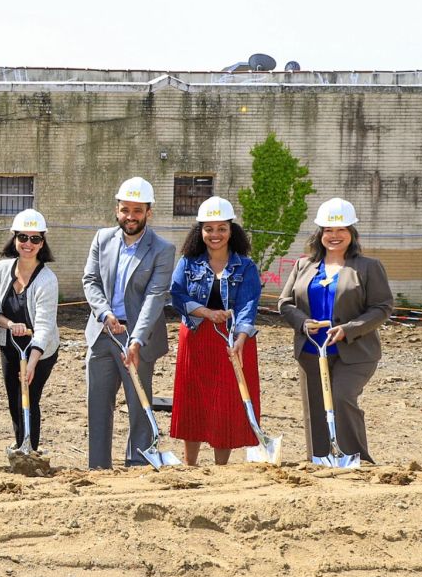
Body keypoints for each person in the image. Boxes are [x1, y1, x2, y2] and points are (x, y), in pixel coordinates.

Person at [278, 198, 393, 463]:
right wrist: (303, 322)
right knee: (316, 407)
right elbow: (285, 303)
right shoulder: (303, 266)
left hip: (355, 351)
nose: (334, 235)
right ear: (320, 234)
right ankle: (320, 458)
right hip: (311, 349)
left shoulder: (368, 267)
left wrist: (349, 329)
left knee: (341, 398)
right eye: (328, 230)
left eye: (341, 230)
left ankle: (356, 458)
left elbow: (382, 307)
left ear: (352, 234)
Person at [82, 177, 176, 469]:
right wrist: (104, 313)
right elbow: (91, 280)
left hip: (139, 339)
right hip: (103, 333)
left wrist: (135, 339)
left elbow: (155, 296)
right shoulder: (102, 239)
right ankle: (98, 467)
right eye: (125, 210)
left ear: (149, 212)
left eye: (138, 210)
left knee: (138, 405)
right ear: (117, 209)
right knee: (98, 404)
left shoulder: (162, 249)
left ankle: (137, 464)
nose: (130, 217)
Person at [168, 197, 262, 465]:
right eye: (209, 228)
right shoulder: (188, 263)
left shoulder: (245, 266)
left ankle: (221, 468)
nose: (215, 234)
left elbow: (248, 304)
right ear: (201, 231)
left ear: (232, 230)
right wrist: (206, 312)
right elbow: (177, 294)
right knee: (193, 400)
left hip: (233, 341)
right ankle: (190, 464)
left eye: (222, 228)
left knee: (226, 402)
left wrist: (241, 338)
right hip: (197, 338)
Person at [0, 208, 59, 453]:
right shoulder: (3, 268)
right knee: (14, 400)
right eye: (23, 237)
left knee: (29, 399)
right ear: (14, 239)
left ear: (42, 243)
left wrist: (33, 363)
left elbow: (45, 326)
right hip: (10, 346)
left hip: (40, 351)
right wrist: (8, 324)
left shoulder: (47, 280)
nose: (28, 244)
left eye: (35, 239)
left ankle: (30, 449)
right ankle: (20, 445)